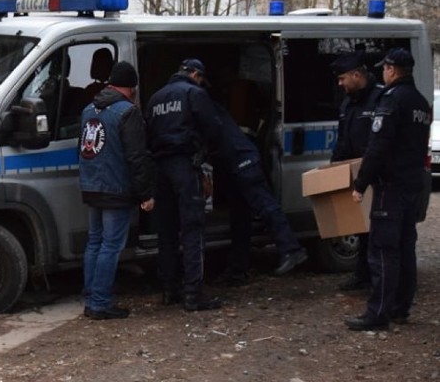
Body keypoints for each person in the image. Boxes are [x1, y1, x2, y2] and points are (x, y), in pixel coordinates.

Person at [345, 48, 431, 331]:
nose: (383, 73)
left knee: (383, 250)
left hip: (391, 187)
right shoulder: (420, 102)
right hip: (412, 186)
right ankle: (400, 308)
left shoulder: (392, 100)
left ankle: (378, 313)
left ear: (392, 70)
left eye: (385, 68)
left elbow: (378, 146)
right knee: (406, 248)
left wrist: (361, 183)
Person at [79, 61, 154, 320]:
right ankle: (100, 303)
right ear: (131, 87)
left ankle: (90, 299)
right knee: (110, 246)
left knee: (94, 243)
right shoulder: (127, 112)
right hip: (116, 189)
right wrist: (145, 194)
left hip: (91, 186)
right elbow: (136, 157)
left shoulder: (89, 108)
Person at [145, 58, 222, 311]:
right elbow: (214, 128)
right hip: (185, 166)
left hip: (160, 168)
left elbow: (148, 134)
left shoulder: (156, 98)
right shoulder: (194, 93)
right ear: (195, 74)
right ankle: (193, 293)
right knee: (192, 228)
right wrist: (206, 154)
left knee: (166, 231)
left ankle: (169, 290)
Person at [215, 103, 308, 281]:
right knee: (240, 217)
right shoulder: (204, 102)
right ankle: (237, 269)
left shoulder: (199, 103)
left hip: (242, 160)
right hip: (235, 162)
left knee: (266, 206)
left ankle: (291, 250)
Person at [331, 51, 384, 291]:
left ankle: (378, 277)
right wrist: (334, 168)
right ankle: (362, 274)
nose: (340, 83)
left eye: (343, 78)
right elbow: (343, 140)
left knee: (378, 229)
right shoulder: (348, 102)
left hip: (378, 174)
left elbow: (380, 142)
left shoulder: (380, 98)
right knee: (360, 226)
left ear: (356, 74)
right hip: (354, 172)